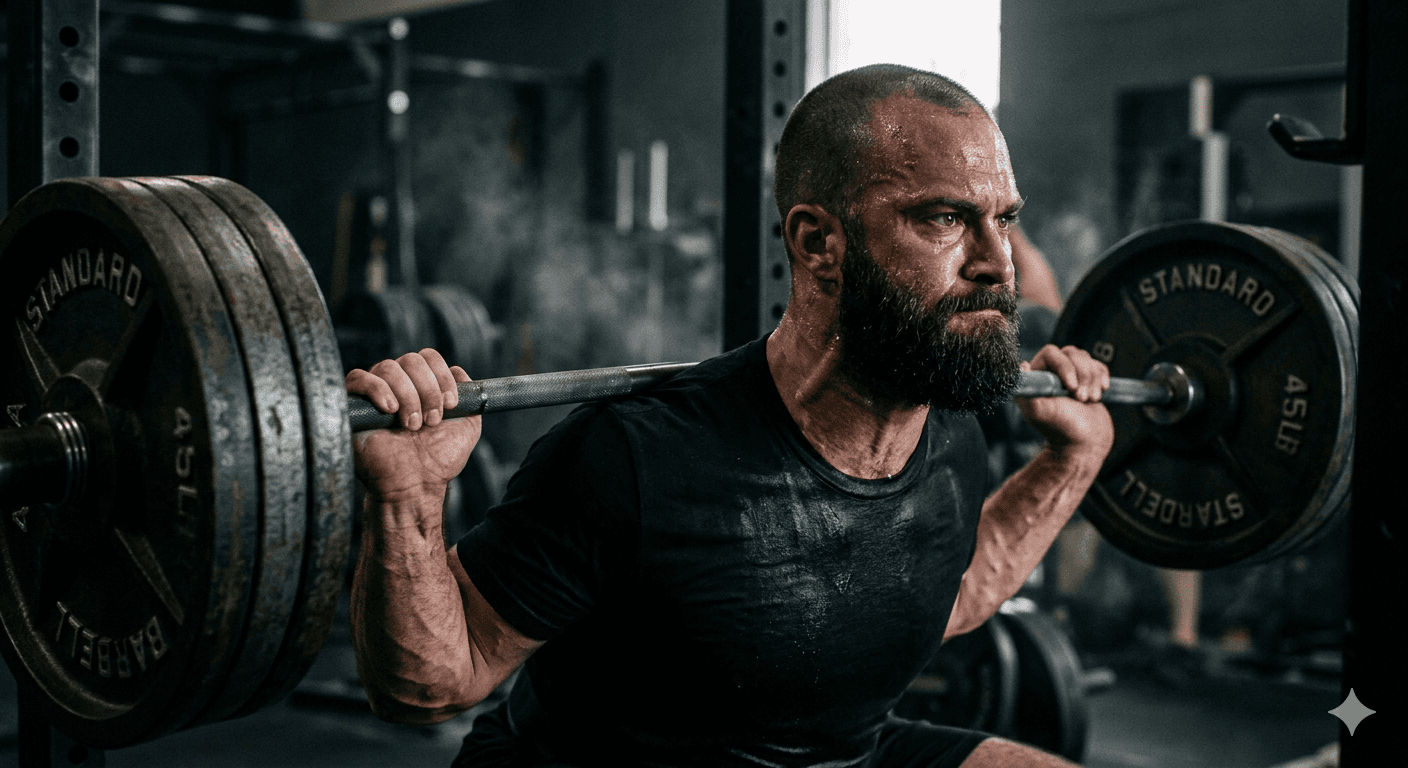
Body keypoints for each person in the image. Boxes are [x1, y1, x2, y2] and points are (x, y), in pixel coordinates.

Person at [346, 64, 1114, 768]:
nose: (997, 264)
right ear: (819, 243)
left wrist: (1069, 463)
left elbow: (944, 596)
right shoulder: (635, 461)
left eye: (1003, 221)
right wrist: (407, 497)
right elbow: (433, 684)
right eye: (945, 219)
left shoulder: (950, 438)